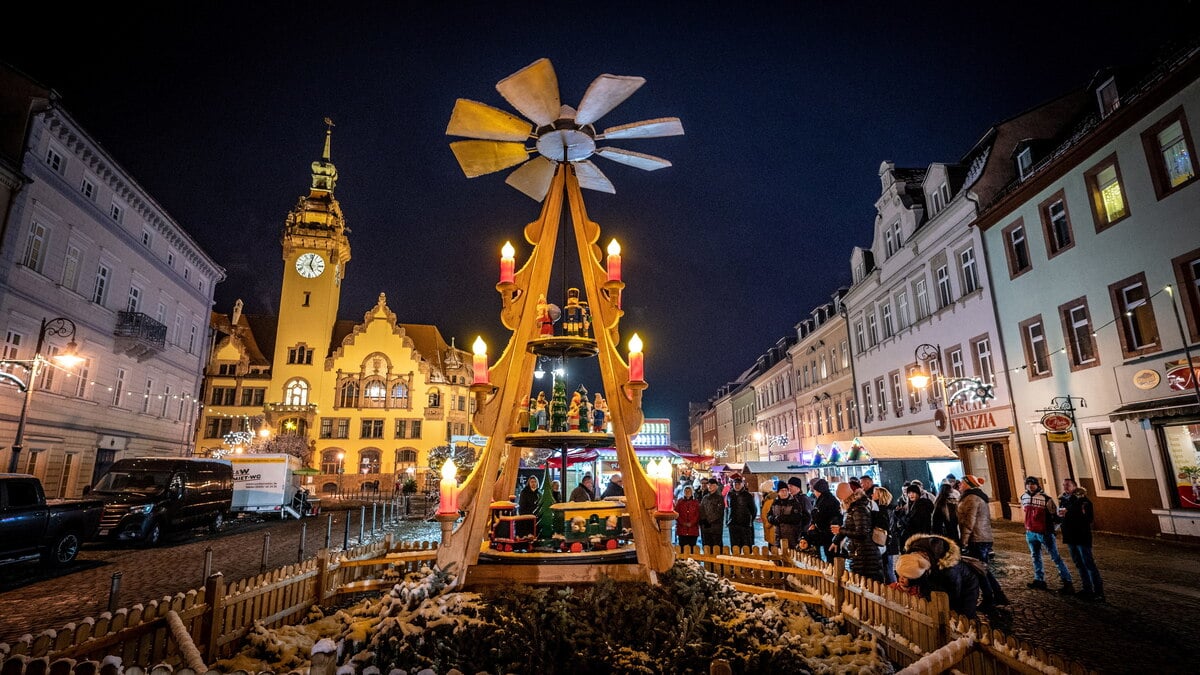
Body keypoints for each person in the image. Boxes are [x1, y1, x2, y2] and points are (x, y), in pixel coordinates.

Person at [896, 534, 984, 619]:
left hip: (966, 585)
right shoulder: (914, 553)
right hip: (937, 576)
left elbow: (954, 595)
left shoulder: (950, 569)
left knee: (964, 615)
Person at [957, 475, 1008, 610]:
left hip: (977, 539)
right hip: (982, 538)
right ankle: (998, 594)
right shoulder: (975, 497)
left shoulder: (971, 498)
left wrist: (963, 542)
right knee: (983, 568)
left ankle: (989, 598)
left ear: (968, 484)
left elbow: (969, 522)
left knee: (979, 570)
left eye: (962, 483)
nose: (959, 485)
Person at [1020, 476, 1074, 594]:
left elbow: (1056, 516)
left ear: (1037, 485)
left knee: (1055, 557)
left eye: (1032, 483)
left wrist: (1051, 530)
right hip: (1030, 532)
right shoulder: (1023, 497)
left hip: (1044, 533)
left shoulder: (1046, 498)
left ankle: (1067, 581)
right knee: (1035, 556)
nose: (1030, 486)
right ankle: (1039, 580)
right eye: (1028, 483)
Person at [1059, 478, 1104, 602]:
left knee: (1088, 563)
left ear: (1074, 486)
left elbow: (1088, 519)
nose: (1065, 488)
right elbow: (1063, 516)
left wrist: (1068, 513)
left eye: (1068, 485)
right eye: (1064, 485)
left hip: (1082, 536)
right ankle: (1087, 589)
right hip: (1070, 537)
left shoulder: (1083, 501)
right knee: (1079, 564)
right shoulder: (1063, 500)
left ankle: (1098, 592)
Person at [834, 481, 886, 582]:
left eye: (840, 499)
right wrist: (836, 540)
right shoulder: (852, 509)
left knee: (869, 584)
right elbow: (849, 527)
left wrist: (841, 530)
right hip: (859, 553)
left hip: (865, 556)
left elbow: (862, 532)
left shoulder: (858, 509)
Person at [807, 478, 841, 561]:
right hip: (827, 533)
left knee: (830, 555)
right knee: (829, 555)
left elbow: (821, 516)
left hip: (828, 533)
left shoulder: (825, 501)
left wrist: (815, 523)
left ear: (818, 490)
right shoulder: (825, 499)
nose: (814, 493)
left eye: (814, 490)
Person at [872, 486, 898, 583]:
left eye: (874, 493)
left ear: (880, 496)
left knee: (888, 570)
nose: (872, 495)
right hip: (889, 543)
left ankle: (894, 589)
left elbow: (884, 528)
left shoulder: (880, 510)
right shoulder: (890, 509)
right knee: (888, 569)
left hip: (885, 543)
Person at [768, 483, 806, 550]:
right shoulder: (775, 503)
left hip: (792, 536)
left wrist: (782, 518)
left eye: (786, 490)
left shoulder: (794, 503)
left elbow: (797, 518)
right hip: (778, 536)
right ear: (778, 492)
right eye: (782, 490)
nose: (784, 492)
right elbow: (769, 515)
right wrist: (772, 519)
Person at [725, 474, 757, 548]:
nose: (737, 486)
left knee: (746, 546)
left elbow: (753, 510)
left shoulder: (748, 495)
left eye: (739, 484)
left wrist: (750, 520)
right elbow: (727, 508)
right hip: (733, 524)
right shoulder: (729, 495)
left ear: (742, 484)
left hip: (745, 525)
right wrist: (727, 520)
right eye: (735, 484)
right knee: (735, 546)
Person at [699, 478, 726, 549]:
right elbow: (701, 510)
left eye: (712, 485)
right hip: (706, 527)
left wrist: (709, 520)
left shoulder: (719, 498)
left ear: (716, 486)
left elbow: (718, 512)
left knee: (716, 547)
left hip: (716, 527)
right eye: (709, 485)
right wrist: (704, 521)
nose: (709, 486)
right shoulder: (705, 497)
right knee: (707, 546)